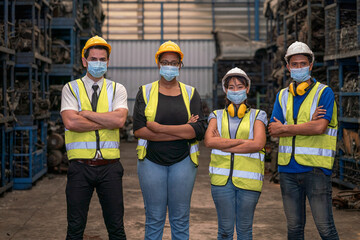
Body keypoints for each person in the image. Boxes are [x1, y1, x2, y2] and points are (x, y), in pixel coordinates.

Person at [132, 40, 205, 240]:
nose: (169, 66)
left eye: (174, 63)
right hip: (151, 162)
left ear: (180, 65)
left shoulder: (191, 93)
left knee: (180, 218)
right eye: (165, 62)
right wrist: (183, 129)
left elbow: (198, 131)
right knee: (154, 218)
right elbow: (138, 130)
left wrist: (157, 128)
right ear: (158, 64)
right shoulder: (145, 92)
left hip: (183, 161)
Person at [268, 41, 339, 240]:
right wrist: (305, 125)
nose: (299, 68)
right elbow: (274, 130)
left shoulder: (324, 93)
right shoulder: (282, 96)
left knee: (325, 228)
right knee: (294, 229)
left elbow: (319, 127)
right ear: (288, 67)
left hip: (315, 170)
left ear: (311, 65)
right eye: (295, 64)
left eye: (303, 63)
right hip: (287, 171)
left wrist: (286, 128)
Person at [61, 35, 128, 240]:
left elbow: (119, 121)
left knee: (116, 227)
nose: (98, 63)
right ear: (84, 61)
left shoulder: (118, 89)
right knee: (75, 227)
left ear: (108, 62)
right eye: (93, 59)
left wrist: (87, 114)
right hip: (80, 167)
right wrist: (106, 120)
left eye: (102, 59)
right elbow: (71, 123)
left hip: (110, 167)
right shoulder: (70, 88)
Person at [204, 67, 267, 240]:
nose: (235, 90)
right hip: (221, 181)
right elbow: (209, 141)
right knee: (224, 230)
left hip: (249, 183)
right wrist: (245, 142)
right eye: (231, 87)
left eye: (239, 86)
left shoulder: (258, 115)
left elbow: (259, 144)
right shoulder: (216, 115)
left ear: (247, 89)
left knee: (245, 230)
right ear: (225, 90)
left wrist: (222, 144)